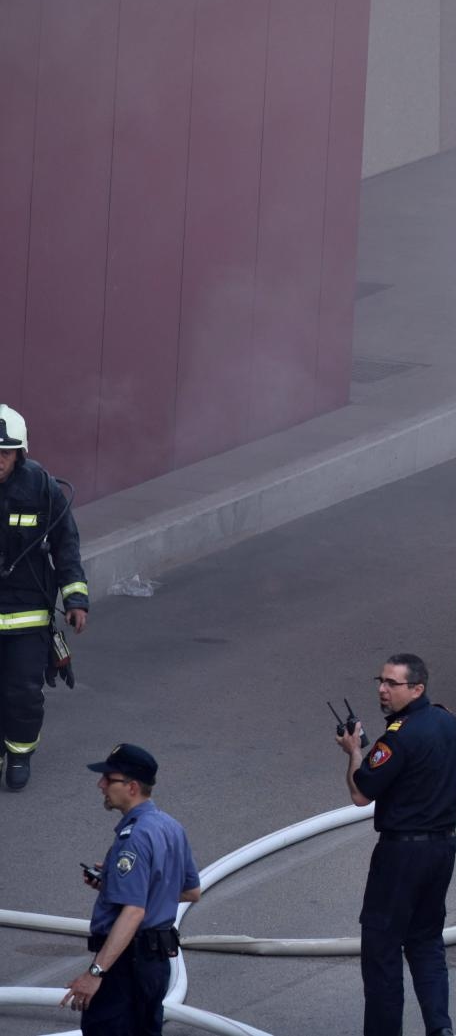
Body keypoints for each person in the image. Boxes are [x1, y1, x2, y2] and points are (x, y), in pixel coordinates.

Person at [337, 653, 456, 1036]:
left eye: (392, 684)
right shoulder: (451, 724)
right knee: (426, 942)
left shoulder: (398, 738)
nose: (382, 690)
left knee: (382, 949)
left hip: (401, 854)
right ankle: (441, 1029)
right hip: (443, 850)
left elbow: (360, 795)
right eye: (380, 681)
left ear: (417, 688)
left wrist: (354, 752)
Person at [61, 743, 201, 1035]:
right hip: (154, 966)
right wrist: (114, 884)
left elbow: (134, 911)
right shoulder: (170, 826)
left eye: (109, 779)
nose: (101, 785)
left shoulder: (134, 837)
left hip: (125, 966)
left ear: (132, 786)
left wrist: (95, 973)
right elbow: (190, 891)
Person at [0, 403, 89, 791]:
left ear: (20, 454)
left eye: (3, 453)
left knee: (22, 693)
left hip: (27, 615)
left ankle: (19, 754)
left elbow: (66, 544)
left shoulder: (41, 488)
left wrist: (76, 599)